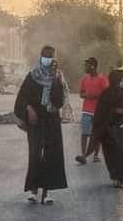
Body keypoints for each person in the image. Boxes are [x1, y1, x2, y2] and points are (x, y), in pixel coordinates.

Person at [15, 45, 68, 204]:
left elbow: (59, 101)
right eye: (46, 55)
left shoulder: (58, 76)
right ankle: (33, 189)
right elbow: (22, 97)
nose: (48, 58)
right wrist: (28, 108)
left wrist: (55, 79)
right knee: (35, 153)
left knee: (51, 155)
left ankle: (47, 191)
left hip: (51, 119)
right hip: (36, 121)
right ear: (40, 56)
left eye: (51, 56)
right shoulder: (32, 75)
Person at [87, 70, 123, 188]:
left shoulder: (105, 93)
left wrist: (97, 126)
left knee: (110, 155)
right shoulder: (122, 92)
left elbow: (99, 112)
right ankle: (121, 179)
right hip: (119, 127)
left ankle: (115, 178)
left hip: (106, 129)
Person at [75, 57, 107, 164]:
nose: (85, 68)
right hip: (86, 110)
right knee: (84, 133)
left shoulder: (102, 78)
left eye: (87, 65)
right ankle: (83, 154)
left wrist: (96, 95)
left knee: (96, 135)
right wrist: (87, 95)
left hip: (98, 111)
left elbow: (107, 93)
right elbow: (81, 93)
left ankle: (96, 155)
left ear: (93, 66)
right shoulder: (84, 79)